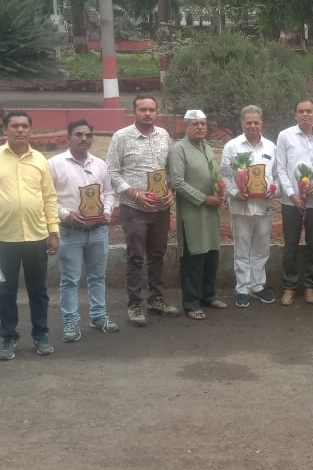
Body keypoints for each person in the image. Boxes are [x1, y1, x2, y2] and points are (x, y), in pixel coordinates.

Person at [0, 111, 60, 360]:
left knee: (38, 291)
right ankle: (8, 338)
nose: (20, 130)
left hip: (36, 235)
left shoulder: (39, 160)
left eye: (25, 126)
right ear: (5, 130)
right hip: (4, 237)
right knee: (6, 292)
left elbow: (49, 197)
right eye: (15, 126)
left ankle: (41, 335)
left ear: (31, 130)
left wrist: (53, 231)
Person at [107, 95, 179, 327]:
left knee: (157, 255)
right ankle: (135, 304)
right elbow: (112, 171)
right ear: (134, 112)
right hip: (134, 208)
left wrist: (171, 191)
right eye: (143, 109)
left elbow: (169, 169)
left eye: (151, 109)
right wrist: (134, 194)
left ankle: (156, 299)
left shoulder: (164, 136)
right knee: (136, 256)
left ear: (157, 112)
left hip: (161, 207)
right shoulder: (121, 137)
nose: (147, 113)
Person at [48, 119, 118, 343]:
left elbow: (109, 193)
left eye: (88, 135)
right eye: (78, 134)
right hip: (70, 231)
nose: (84, 139)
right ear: (68, 137)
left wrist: (107, 211)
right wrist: (65, 214)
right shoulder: (55, 164)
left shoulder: (100, 164)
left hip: (98, 230)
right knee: (70, 279)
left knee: (97, 276)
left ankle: (98, 316)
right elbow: (47, 198)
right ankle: (71, 321)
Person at [168, 110, 228, 320]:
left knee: (211, 254)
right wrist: (204, 198)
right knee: (194, 257)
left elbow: (216, 175)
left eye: (203, 123)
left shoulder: (207, 147)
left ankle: (208, 296)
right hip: (193, 211)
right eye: (195, 124)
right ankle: (191, 303)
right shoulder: (179, 149)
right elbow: (177, 182)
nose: (200, 127)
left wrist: (220, 193)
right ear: (185, 127)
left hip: (210, 211)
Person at [274, 99, 313, 306]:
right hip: (291, 201)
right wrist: (292, 195)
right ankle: (289, 287)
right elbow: (280, 169)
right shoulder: (285, 136)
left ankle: (310, 286)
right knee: (291, 244)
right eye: (301, 111)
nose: (305, 114)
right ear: (295, 114)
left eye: (308, 111)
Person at [221, 105, 278, 308]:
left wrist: (274, 189)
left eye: (256, 122)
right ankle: (243, 288)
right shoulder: (232, 147)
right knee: (242, 247)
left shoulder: (271, 147)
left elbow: (276, 175)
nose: (253, 125)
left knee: (261, 247)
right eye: (249, 122)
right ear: (242, 124)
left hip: (264, 206)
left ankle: (258, 286)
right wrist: (234, 192)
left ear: (262, 123)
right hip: (241, 205)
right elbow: (224, 175)